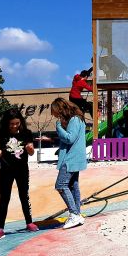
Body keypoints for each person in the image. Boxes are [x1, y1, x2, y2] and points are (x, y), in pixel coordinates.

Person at [0, 108, 38, 241]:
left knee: (24, 196)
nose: (14, 126)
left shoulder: (26, 133)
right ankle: (0, 229)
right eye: (12, 124)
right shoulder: (1, 134)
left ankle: (29, 223)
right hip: (6, 170)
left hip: (22, 169)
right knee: (4, 198)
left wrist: (30, 149)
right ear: (7, 123)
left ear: (20, 122)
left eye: (17, 123)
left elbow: (31, 152)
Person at [51, 97, 88, 229]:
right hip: (75, 158)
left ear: (60, 109)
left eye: (55, 113)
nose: (55, 116)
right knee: (72, 186)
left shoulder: (74, 120)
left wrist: (58, 127)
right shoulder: (78, 119)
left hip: (71, 159)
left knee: (60, 185)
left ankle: (74, 214)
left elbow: (69, 138)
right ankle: (77, 214)